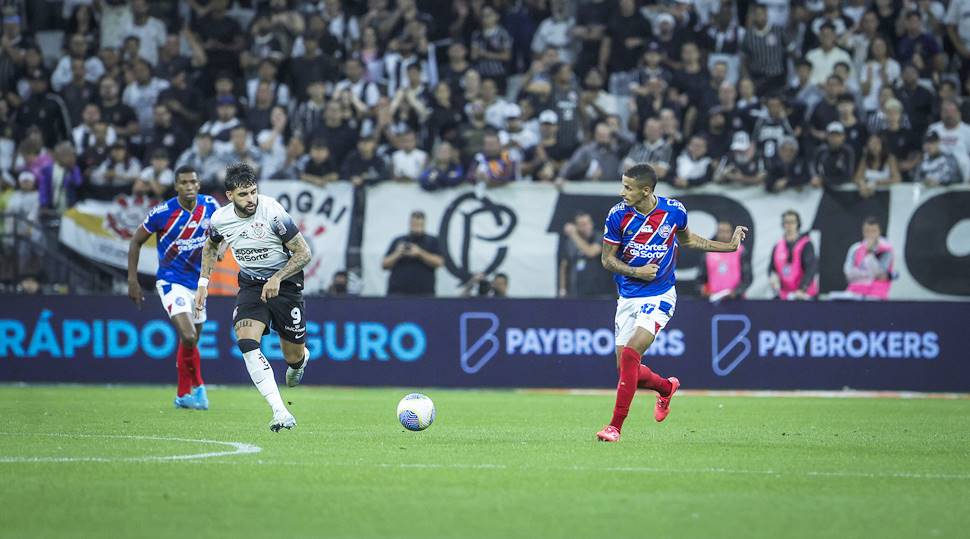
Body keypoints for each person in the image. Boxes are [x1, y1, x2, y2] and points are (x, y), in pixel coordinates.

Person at [596, 163, 748, 442]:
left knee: (631, 355)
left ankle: (614, 427)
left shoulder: (674, 211)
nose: (622, 192)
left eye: (628, 188)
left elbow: (688, 241)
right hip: (628, 296)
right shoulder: (617, 215)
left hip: (660, 295)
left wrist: (728, 247)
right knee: (625, 369)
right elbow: (607, 260)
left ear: (646, 190)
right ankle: (666, 387)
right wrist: (635, 271)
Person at [194, 163, 313, 432]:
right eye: (244, 194)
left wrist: (277, 278)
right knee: (247, 342)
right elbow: (211, 245)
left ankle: (300, 359)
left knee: (292, 358)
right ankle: (280, 412)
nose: (251, 199)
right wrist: (203, 283)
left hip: (286, 286)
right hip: (250, 286)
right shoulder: (220, 219)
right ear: (229, 196)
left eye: (253, 192)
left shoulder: (273, 212)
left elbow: (304, 253)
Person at [127, 167, 220, 410]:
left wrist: (221, 249)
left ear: (199, 185)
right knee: (188, 336)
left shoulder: (210, 205)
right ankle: (199, 387)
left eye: (193, 182)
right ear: (176, 186)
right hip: (171, 282)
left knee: (191, 341)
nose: (189, 186)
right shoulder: (162, 212)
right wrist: (132, 280)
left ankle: (182, 395)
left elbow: (225, 233)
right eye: (184, 182)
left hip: (199, 285)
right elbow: (136, 241)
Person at [381, 210, 444, 296]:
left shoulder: (432, 241)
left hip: (424, 294)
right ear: (410, 223)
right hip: (397, 293)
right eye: (414, 224)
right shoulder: (398, 240)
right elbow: (384, 264)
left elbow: (439, 262)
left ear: (424, 224)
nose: (416, 227)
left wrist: (420, 253)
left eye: (419, 224)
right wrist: (398, 253)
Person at [558, 212, 615, 298]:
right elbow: (564, 265)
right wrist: (562, 289)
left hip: (600, 292)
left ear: (591, 224)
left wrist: (573, 234)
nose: (585, 227)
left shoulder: (600, 237)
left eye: (587, 223)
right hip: (577, 291)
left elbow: (591, 252)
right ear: (576, 227)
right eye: (581, 224)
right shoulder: (570, 242)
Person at [769, 210, 819, 300]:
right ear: (783, 224)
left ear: (798, 224)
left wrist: (802, 289)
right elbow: (772, 269)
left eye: (792, 222)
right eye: (786, 222)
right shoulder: (777, 246)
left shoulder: (806, 244)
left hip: (804, 295)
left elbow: (811, 269)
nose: (789, 225)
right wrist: (773, 279)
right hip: (785, 295)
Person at [697, 220, 752, 300]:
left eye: (727, 231)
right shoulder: (708, 254)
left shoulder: (740, 251)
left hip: (737, 300)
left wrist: (736, 292)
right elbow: (701, 279)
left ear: (732, 233)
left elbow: (747, 277)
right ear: (716, 233)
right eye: (721, 231)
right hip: (714, 300)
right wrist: (705, 291)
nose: (724, 235)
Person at [843, 216, 894, 300]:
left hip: (878, 293)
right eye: (867, 231)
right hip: (855, 292)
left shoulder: (886, 250)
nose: (870, 234)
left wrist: (869, 252)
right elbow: (848, 274)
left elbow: (880, 274)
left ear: (879, 232)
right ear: (863, 232)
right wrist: (869, 275)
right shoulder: (855, 249)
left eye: (873, 231)